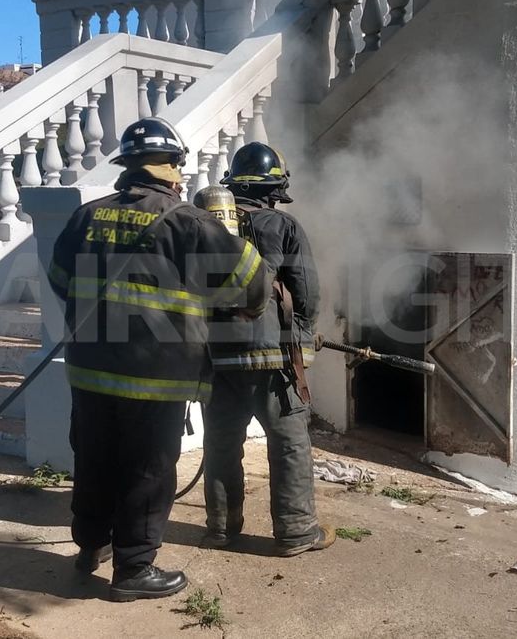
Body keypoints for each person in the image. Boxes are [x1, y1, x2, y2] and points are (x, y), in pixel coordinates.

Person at [47, 118, 271, 602]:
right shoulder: (189, 221)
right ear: (172, 168)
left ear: (126, 167)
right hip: (155, 375)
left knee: (95, 458)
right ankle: (134, 570)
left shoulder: (86, 216)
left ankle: (90, 548)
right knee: (147, 470)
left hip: (89, 369)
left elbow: (61, 279)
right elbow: (253, 287)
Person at [200, 141, 336, 557]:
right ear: (274, 187)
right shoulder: (283, 226)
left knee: (222, 443)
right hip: (274, 357)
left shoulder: (202, 226)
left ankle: (222, 527)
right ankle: (295, 531)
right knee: (288, 440)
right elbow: (307, 293)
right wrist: (305, 339)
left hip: (216, 357)